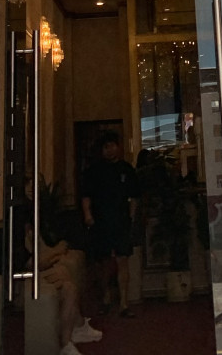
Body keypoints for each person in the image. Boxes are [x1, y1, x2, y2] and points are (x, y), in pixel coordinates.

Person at [80, 132, 138, 316]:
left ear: (118, 147)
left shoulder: (126, 169)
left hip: (121, 220)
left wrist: (131, 217)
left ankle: (124, 303)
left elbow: (134, 196)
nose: (109, 150)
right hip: (101, 221)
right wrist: (88, 215)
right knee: (104, 261)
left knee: (123, 260)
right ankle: (105, 297)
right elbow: (86, 196)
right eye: (106, 147)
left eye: (112, 146)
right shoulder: (93, 171)